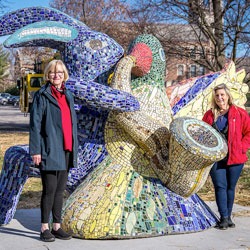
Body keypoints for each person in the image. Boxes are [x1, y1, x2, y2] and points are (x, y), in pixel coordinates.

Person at [30, 60, 78, 242]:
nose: (56, 75)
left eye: (59, 72)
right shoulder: (42, 95)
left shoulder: (68, 95)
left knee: (60, 189)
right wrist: (36, 150)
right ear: (47, 75)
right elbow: (35, 125)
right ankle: (44, 228)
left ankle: (57, 226)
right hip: (50, 148)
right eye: (52, 72)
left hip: (66, 148)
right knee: (49, 189)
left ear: (64, 75)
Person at [203, 83, 250, 230]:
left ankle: (229, 217)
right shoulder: (209, 115)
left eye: (222, 94)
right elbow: (203, 133)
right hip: (216, 158)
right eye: (217, 95)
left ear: (228, 96)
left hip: (235, 157)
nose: (220, 98)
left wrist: (242, 147)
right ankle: (223, 218)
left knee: (231, 187)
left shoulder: (240, 113)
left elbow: (248, 133)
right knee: (220, 186)